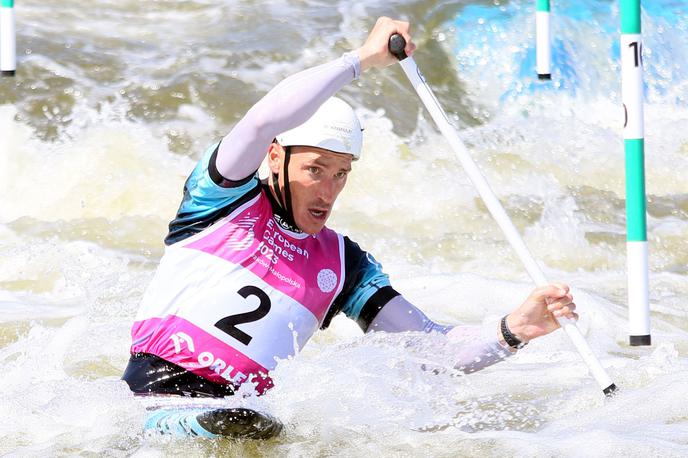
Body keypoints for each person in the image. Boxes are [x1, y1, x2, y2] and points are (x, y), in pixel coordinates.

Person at [123, 17, 576, 407]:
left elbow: (430, 350)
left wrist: (514, 330)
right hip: (152, 400)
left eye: (341, 173)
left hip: (247, 421)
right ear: (276, 158)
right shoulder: (221, 198)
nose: (327, 190)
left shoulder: (344, 264)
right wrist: (360, 60)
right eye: (315, 169)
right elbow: (263, 121)